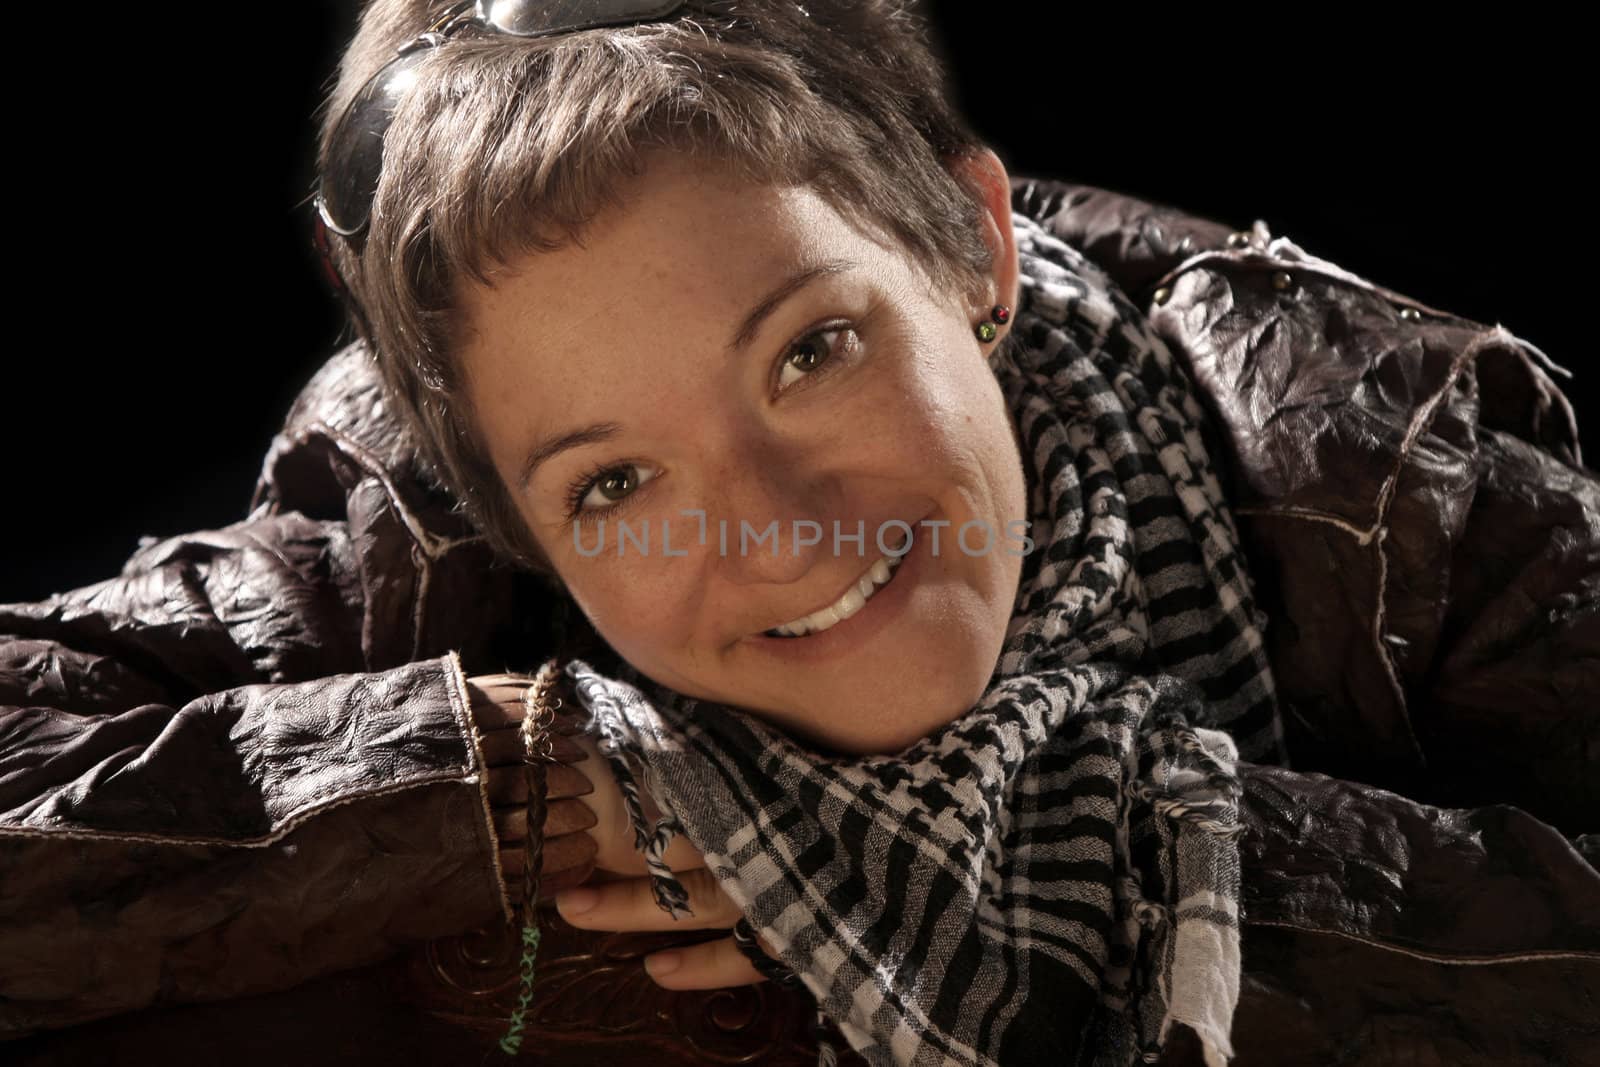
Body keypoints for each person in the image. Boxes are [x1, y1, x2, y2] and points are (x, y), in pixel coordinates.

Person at [3, 2, 1597, 1065]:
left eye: (812, 352)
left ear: (973, 246)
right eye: (612, 485)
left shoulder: (1389, 459)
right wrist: (513, 788)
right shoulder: (414, 510)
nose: (774, 533)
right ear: (511, 516)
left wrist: (1179, 892)